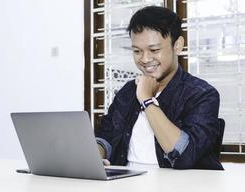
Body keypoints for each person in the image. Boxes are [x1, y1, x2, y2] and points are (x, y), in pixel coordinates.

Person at [95, 6, 223, 170]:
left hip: (177, 188)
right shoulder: (127, 92)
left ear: (177, 45)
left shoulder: (202, 94)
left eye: (154, 50)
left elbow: (185, 156)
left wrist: (146, 100)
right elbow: (104, 136)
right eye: (137, 51)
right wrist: (96, 157)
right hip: (126, 185)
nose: (145, 59)